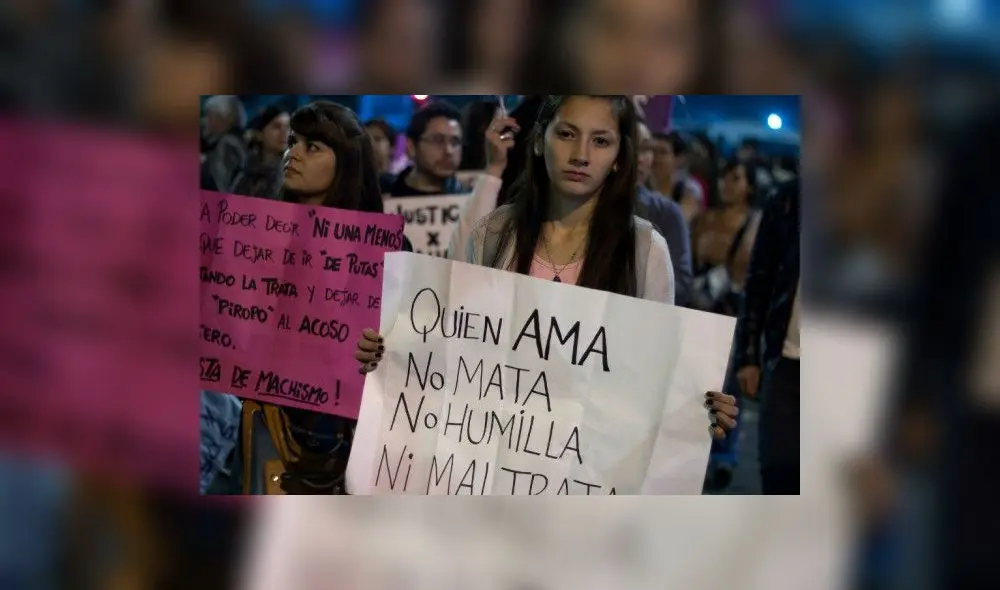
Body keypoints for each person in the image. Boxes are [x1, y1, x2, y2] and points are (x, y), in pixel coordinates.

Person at [359, 95, 738, 444]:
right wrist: (390, 354)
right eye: (567, 134)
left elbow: (657, 369)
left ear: (620, 156)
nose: (581, 154)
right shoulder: (494, 233)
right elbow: (453, 341)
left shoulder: (645, 251)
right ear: (540, 141)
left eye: (601, 141)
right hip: (490, 459)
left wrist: (697, 409)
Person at [203, 100, 412, 495]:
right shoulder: (255, 237)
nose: (292, 153)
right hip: (263, 429)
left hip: (343, 445)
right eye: (293, 142)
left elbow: (407, 356)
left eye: (312, 146)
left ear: (347, 161)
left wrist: (383, 349)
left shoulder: (390, 251)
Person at [732, 178, 800, 494]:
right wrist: (748, 357)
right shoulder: (787, 199)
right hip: (787, 359)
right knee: (778, 475)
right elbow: (759, 280)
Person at [690, 159, 761, 316]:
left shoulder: (755, 224)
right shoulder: (703, 219)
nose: (726, 184)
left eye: (735, 179)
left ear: (749, 186)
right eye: (724, 177)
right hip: (696, 305)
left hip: (731, 310)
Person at [635, 118, 694, 307]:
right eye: (632, 147)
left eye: (645, 149)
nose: (640, 158)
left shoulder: (667, 212)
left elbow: (681, 286)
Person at [381, 100, 466, 196]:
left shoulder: (471, 197)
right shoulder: (385, 196)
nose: (449, 150)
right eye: (437, 140)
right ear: (411, 146)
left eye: (455, 142)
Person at [232, 105, 290, 199]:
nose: (284, 132)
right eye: (276, 127)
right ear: (260, 134)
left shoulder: (292, 174)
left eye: (287, 127)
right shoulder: (246, 174)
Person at [651, 131, 704, 223]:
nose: (656, 157)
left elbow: (680, 222)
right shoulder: (641, 186)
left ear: (678, 159)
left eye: (663, 152)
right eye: (652, 151)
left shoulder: (688, 189)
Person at [200, 95, 248, 193]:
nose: (204, 121)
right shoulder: (226, 142)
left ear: (224, 118)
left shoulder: (229, 144)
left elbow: (221, 185)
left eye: (209, 116)